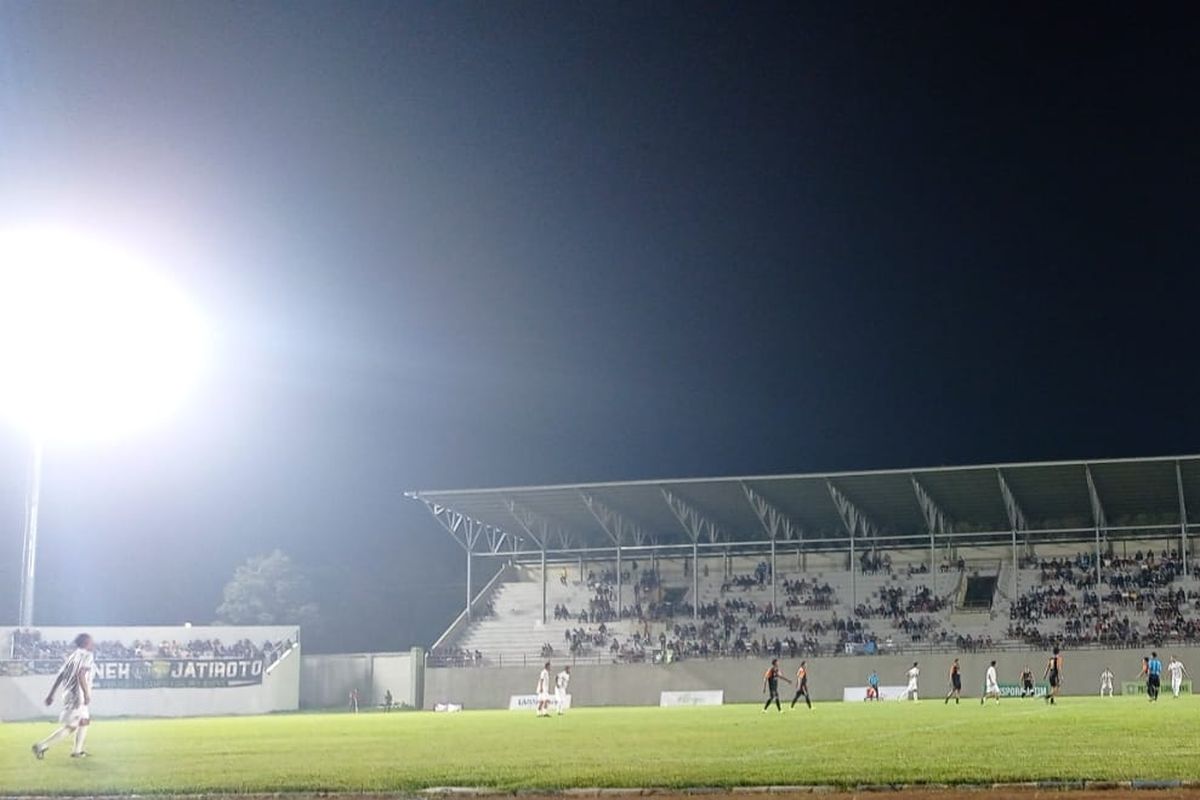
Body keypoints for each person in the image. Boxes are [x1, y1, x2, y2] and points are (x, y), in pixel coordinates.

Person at [32, 633, 95, 760]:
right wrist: (86, 692)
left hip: (68, 693)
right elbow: (80, 674)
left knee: (84, 721)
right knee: (72, 726)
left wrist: (51, 694)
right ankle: (42, 745)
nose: (93, 643)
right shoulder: (87, 655)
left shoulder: (71, 656)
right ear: (86, 643)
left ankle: (77, 751)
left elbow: (60, 676)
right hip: (78, 694)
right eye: (91, 641)